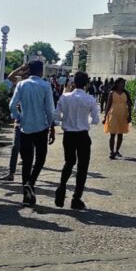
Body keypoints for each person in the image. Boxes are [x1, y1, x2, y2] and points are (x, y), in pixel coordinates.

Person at [8, 59, 56, 206]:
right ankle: (31, 182)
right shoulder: (45, 85)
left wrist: (18, 117)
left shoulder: (21, 84)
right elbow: (49, 109)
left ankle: (25, 196)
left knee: (27, 162)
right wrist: (51, 125)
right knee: (40, 158)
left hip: (25, 127)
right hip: (41, 127)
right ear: (41, 71)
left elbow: (11, 105)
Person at [53, 70, 100, 210]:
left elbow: (56, 116)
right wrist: (86, 120)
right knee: (82, 167)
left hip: (69, 134)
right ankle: (76, 198)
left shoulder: (65, 97)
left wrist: (66, 120)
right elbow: (96, 120)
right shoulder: (90, 99)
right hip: (82, 134)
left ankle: (62, 187)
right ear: (87, 83)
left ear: (74, 83)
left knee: (69, 162)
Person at [1, 63, 31, 182]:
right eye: (25, 73)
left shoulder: (34, 85)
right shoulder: (19, 84)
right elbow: (10, 77)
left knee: (27, 147)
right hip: (20, 118)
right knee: (15, 146)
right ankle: (11, 172)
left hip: (30, 119)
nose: (25, 75)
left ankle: (27, 174)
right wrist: (21, 68)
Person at [103, 77, 132, 158]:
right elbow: (108, 105)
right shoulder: (112, 93)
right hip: (113, 114)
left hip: (123, 115)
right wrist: (105, 117)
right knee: (112, 134)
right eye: (122, 83)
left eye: (124, 83)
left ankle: (117, 150)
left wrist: (130, 116)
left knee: (120, 134)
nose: (123, 85)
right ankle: (112, 152)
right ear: (117, 84)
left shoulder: (126, 93)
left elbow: (129, 105)